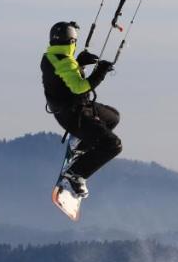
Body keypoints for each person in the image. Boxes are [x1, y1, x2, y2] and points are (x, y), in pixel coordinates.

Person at [40, 20, 121, 198]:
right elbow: (79, 87)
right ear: (71, 42)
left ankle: (81, 145)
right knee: (112, 146)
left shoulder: (51, 57)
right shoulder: (65, 62)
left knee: (113, 117)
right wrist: (100, 72)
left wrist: (80, 63)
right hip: (74, 116)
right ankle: (75, 174)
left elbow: (64, 79)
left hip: (75, 109)